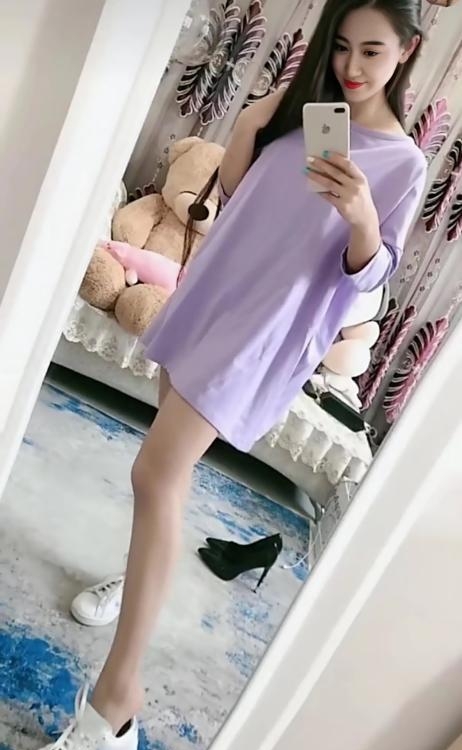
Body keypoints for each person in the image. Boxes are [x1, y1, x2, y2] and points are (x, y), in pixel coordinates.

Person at [41, 1, 427, 748]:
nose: (352, 66)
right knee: (167, 477)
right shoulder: (311, 110)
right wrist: (258, 116)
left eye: (372, 52)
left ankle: (117, 706)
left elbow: (368, 279)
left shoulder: (402, 164)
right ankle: (138, 579)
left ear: (406, 52)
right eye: (342, 46)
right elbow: (240, 193)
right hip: (214, 292)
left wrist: (360, 217)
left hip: (263, 331)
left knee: (155, 473)